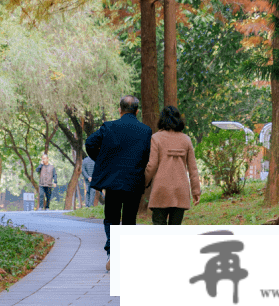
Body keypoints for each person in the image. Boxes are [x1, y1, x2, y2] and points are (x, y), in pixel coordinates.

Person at [85, 95, 152, 270]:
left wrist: (102, 161)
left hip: (113, 181)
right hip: (134, 181)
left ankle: (113, 253)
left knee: (112, 218)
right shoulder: (145, 131)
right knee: (130, 219)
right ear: (137, 111)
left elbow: (90, 142)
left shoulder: (109, 126)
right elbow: (147, 155)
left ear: (120, 110)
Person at [144, 105, 201, 225]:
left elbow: (152, 165)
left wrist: (143, 183)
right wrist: (196, 191)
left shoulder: (156, 138)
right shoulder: (186, 140)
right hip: (180, 191)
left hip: (161, 190)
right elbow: (193, 169)